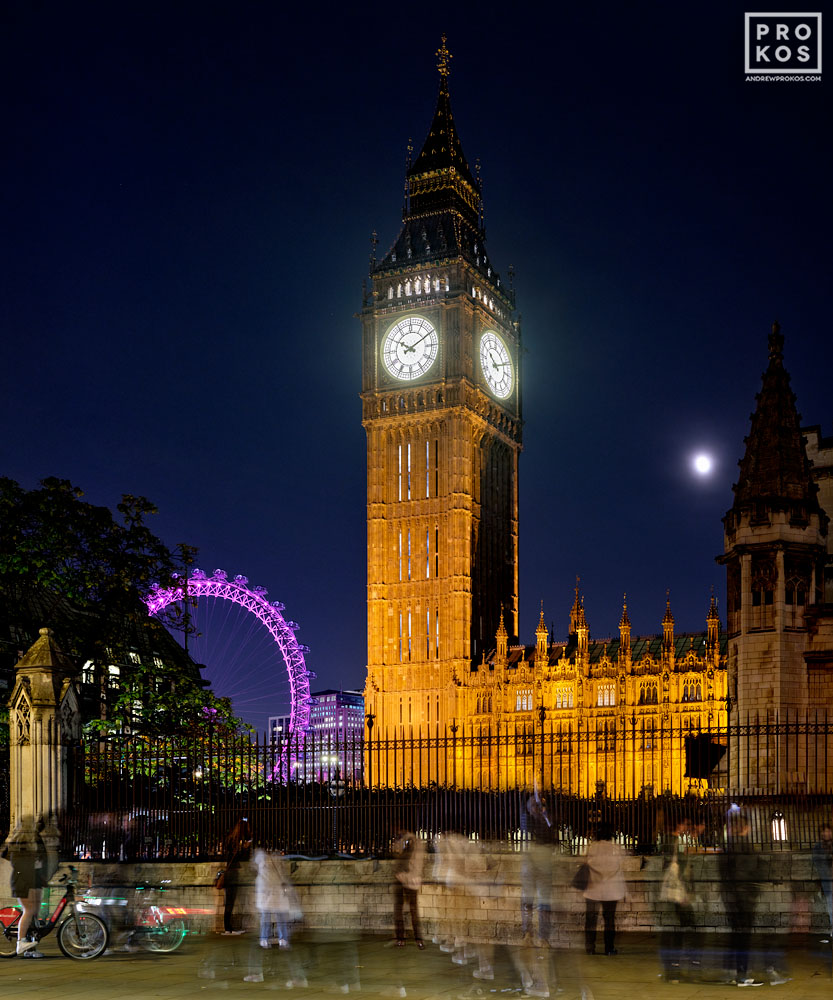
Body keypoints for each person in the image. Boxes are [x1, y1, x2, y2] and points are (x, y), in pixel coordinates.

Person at [1, 815, 48, 957]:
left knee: (35, 913)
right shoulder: (17, 841)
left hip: (35, 879)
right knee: (29, 910)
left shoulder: (35, 838)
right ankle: (20, 942)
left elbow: (43, 857)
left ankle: (30, 949)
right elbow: (12, 860)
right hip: (22, 880)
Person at [583, 823, 625, 956]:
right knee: (609, 920)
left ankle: (590, 948)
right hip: (611, 890)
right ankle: (609, 948)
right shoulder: (616, 849)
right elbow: (618, 869)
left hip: (592, 889)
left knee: (591, 919)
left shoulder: (591, 848)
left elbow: (587, 864)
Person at [392, 830, 424, 947]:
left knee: (402, 909)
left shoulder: (410, 841)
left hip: (404, 878)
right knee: (412, 910)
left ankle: (401, 939)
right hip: (410, 879)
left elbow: (397, 853)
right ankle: (417, 939)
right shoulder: (418, 842)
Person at [221, 816, 252, 934]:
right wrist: (245, 848)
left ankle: (228, 926)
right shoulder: (240, 842)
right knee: (231, 901)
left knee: (229, 901)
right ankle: (228, 928)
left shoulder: (230, 839)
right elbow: (242, 857)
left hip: (229, 872)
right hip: (233, 873)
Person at [812, 824, 833, 944]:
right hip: (828, 882)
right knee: (831, 907)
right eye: (824, 832)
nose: (827, 834)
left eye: (829, 831)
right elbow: (819, 864)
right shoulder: (818, 847)